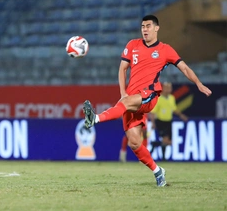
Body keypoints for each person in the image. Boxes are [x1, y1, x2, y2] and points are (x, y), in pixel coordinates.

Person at [83, 14, 212, 187]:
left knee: (127, 103)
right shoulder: (132, 45)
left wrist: (198, 83)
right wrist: (123, 92)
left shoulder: (166, 50)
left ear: (157, 28)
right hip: (132, 98)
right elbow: (122, 69)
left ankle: (95, 118)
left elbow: (184, 68)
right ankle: (158, 171)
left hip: (149, 95)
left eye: (148, 26)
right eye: (143, 26)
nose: (145, 29)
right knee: (134, 142)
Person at [148, 82, 188, 161]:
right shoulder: (158, 98)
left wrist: (181, 115)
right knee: (165, 140)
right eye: (168, 88)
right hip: (160, 121)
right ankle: (163, 158)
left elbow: (174, 109)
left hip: (168, 122)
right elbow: (153, 112)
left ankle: (154, 144)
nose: (169, 89)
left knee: (169, 142)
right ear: (164, 88)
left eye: (170, 88)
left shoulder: (171, 98)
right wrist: (152, 123)